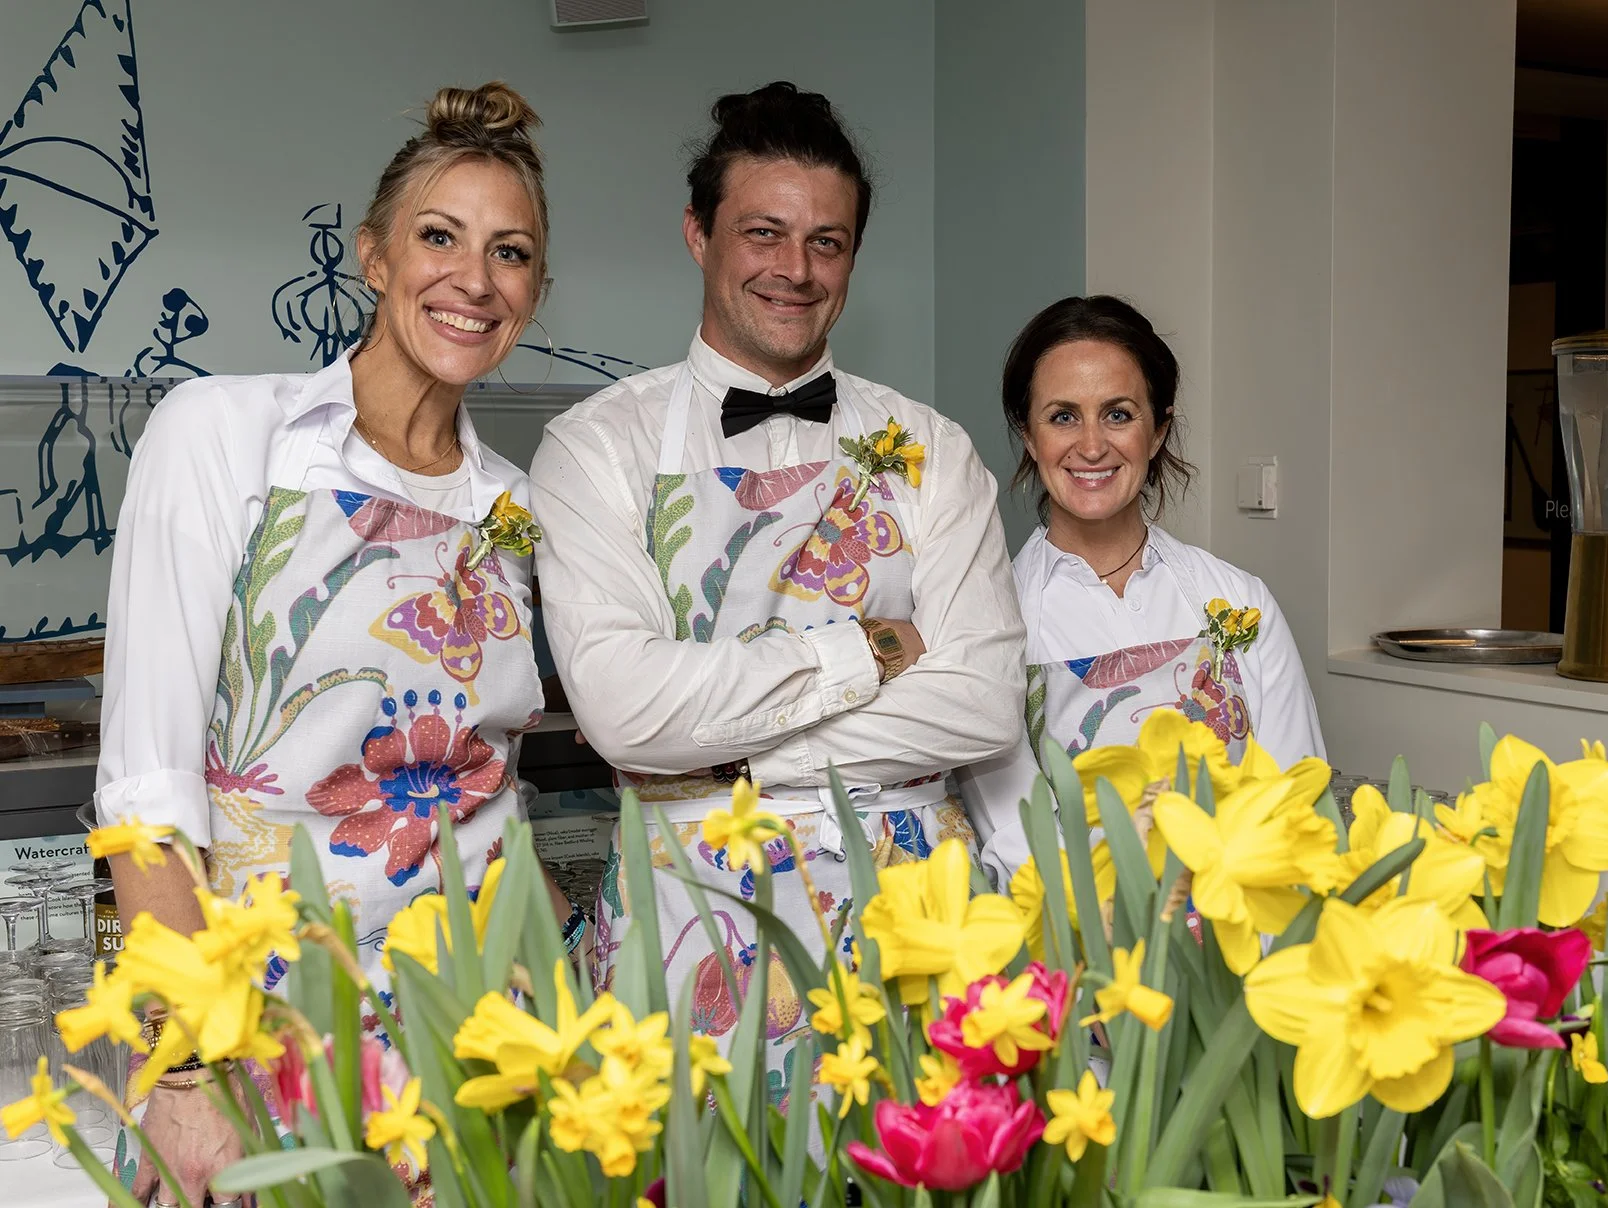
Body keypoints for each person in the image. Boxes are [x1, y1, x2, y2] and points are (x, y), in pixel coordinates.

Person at [93, 82, 582, 1205]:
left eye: (509, 253)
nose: (474, 279)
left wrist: (578, 996)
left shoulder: (516, 506)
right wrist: (189, 1065)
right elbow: (147, 785)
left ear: (536, 292)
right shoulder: (222, 433)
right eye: (439, 237)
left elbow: (493, 786)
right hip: (258, 1030)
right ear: (373, 256)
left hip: (482, 1028)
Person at [530, 82, 1025, 1078]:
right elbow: (624, 711)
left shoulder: (933, 446)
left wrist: (720, 759)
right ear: (697, 234)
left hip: (914, 927)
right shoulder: (594, 448)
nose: (794, 269)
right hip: (687, 923)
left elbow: (980, 703)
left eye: (825, 242)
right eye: (762, 232)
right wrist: (870, 650)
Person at [960, 296, 1325, 880]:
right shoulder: (991, 625)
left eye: (1118, 414)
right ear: (1028, 436)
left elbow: (1295, 803)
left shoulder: (1241, 602)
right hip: (1078, 926)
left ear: (1158, 432)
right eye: (1063, 417)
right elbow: (1024, 852)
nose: (1092, 446)